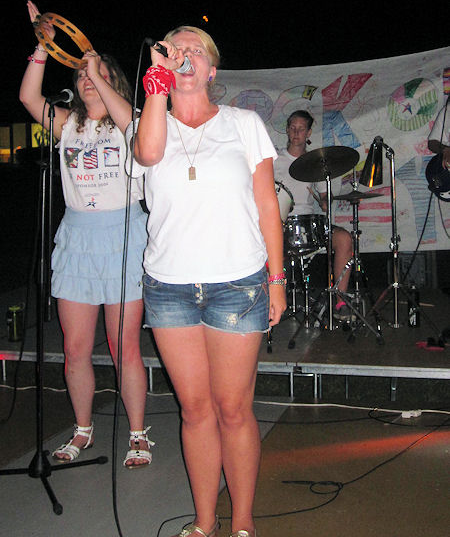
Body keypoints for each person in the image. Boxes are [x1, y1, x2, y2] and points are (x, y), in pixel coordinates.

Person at [128, 26, 286, 537]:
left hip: (236, 285)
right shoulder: (149, 123)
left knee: (233, 409)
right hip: (169, 287)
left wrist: (278, 279)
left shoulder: (244, 124)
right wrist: (156, 87)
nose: (186, 56)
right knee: (194, 410)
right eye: (177, 49)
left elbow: (267, 205)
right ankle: (203, 521)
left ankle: (242, 522)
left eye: (196, 50)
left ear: (213, 70)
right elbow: (148, 155)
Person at [19, 1, 153, 468]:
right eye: (80, 76)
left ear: (113, 80)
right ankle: (82, 430)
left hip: (122, 236)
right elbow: (28, 98)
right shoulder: (68, 124)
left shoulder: (131, 120)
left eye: (96, 74)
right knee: (75, 348)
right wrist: (42, 46)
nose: (86, 81)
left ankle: (138, 433)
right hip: (78, 237)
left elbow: (131, 121)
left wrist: (97, 69)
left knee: (123, 347)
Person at [274, 110, 354, 321]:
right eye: (292, 127)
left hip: (309, 225)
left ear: (308, 133)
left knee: (344, 239)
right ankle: (270, 300)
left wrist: (325, 202)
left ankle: (340, 300)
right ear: (287, 129)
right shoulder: (274, 159)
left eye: (301, 129)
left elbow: (324, 197)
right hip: (279, 225)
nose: (296, 132)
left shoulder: (316, 161)